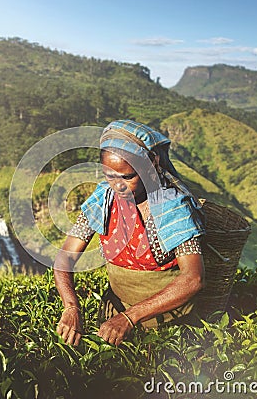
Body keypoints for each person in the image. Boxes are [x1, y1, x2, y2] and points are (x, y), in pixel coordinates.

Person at [54, 120, 205, 346]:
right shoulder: (103, 199)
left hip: (169, 325)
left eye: (128, 177)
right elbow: (65, 258)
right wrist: (71, 307)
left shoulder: (171, 206)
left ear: (151, 164)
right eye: (110, 176)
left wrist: (130, 317)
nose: (118, 186)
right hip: (113, 318)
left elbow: (193, 278)